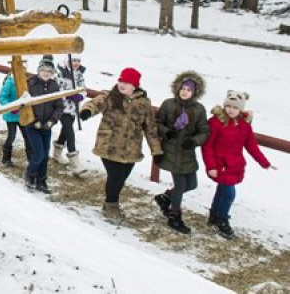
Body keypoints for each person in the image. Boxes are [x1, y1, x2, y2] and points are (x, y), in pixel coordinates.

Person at [78, 67, 163, 222]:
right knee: (116, 177)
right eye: (121, 81)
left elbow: (150, 128)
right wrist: (87, 111)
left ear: (135, 85)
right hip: (109, 146)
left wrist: (156, 150)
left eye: (127, 82)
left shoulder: (144, 103)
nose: (122, 85)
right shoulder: (110, 96)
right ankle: (111, 206)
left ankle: (110, 202)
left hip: (131, 150)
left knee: (121, 178)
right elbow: (95, 103)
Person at [201, 91, 276, 239]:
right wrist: (211, 166)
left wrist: (264, 163)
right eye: (228, 106)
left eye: (235, 107)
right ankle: (222, 220)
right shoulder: (216, 122)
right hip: (220, 165)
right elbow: (207, 146)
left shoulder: (244, 125)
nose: (231, 110)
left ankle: (214, 216)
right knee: (229, 193)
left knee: (222, 190)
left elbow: (251, 145)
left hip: (235, 165)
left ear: (241, 109)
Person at [154, 71, 209, 234]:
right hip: (171, 151)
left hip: (187, 152)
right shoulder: (168, 104)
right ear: (177, 88)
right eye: (183, 88)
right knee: (181, 185)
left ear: (194, 92)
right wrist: (166, 132)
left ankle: (165, 198)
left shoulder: (199, 109)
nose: (185, 92)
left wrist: (193, 141)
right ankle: (174, 215)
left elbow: (204, 131)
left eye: (189, 90)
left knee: (192, 184)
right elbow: (157, 123)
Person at [23, 55, 63, 193]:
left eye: (49, 71)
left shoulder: (54, 85)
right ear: (39, 70)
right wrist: (35, 121)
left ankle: (42, 180)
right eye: (43, 70)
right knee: (39, 153)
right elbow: (26, 105)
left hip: (47, 126)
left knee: (45, 155)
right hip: (33, 125)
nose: (46, 73)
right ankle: (30, 175)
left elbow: (59, 106)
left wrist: (52, 121)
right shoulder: (30, 83)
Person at [53, 55, 87, 176]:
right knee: (70, 133)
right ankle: (75, 163)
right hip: (61, 107)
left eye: (78, 60)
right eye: (74, 60)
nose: (76, 63)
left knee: (65, 131)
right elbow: (55, 88)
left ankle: (56, 153)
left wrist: (80, 96)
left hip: (73, 109)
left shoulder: (79, 73)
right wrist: (67, 94)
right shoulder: (59, 72)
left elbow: (83, 89)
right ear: (67, 61)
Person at [0, 73, 32, 167]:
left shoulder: (27, 82)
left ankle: (31, 160)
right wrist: (11, 107)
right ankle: (6, 159)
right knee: (11, 136)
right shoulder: (9, 82)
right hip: (11, 115)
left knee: (28, 137)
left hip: (23, 115)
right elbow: (1, 97)